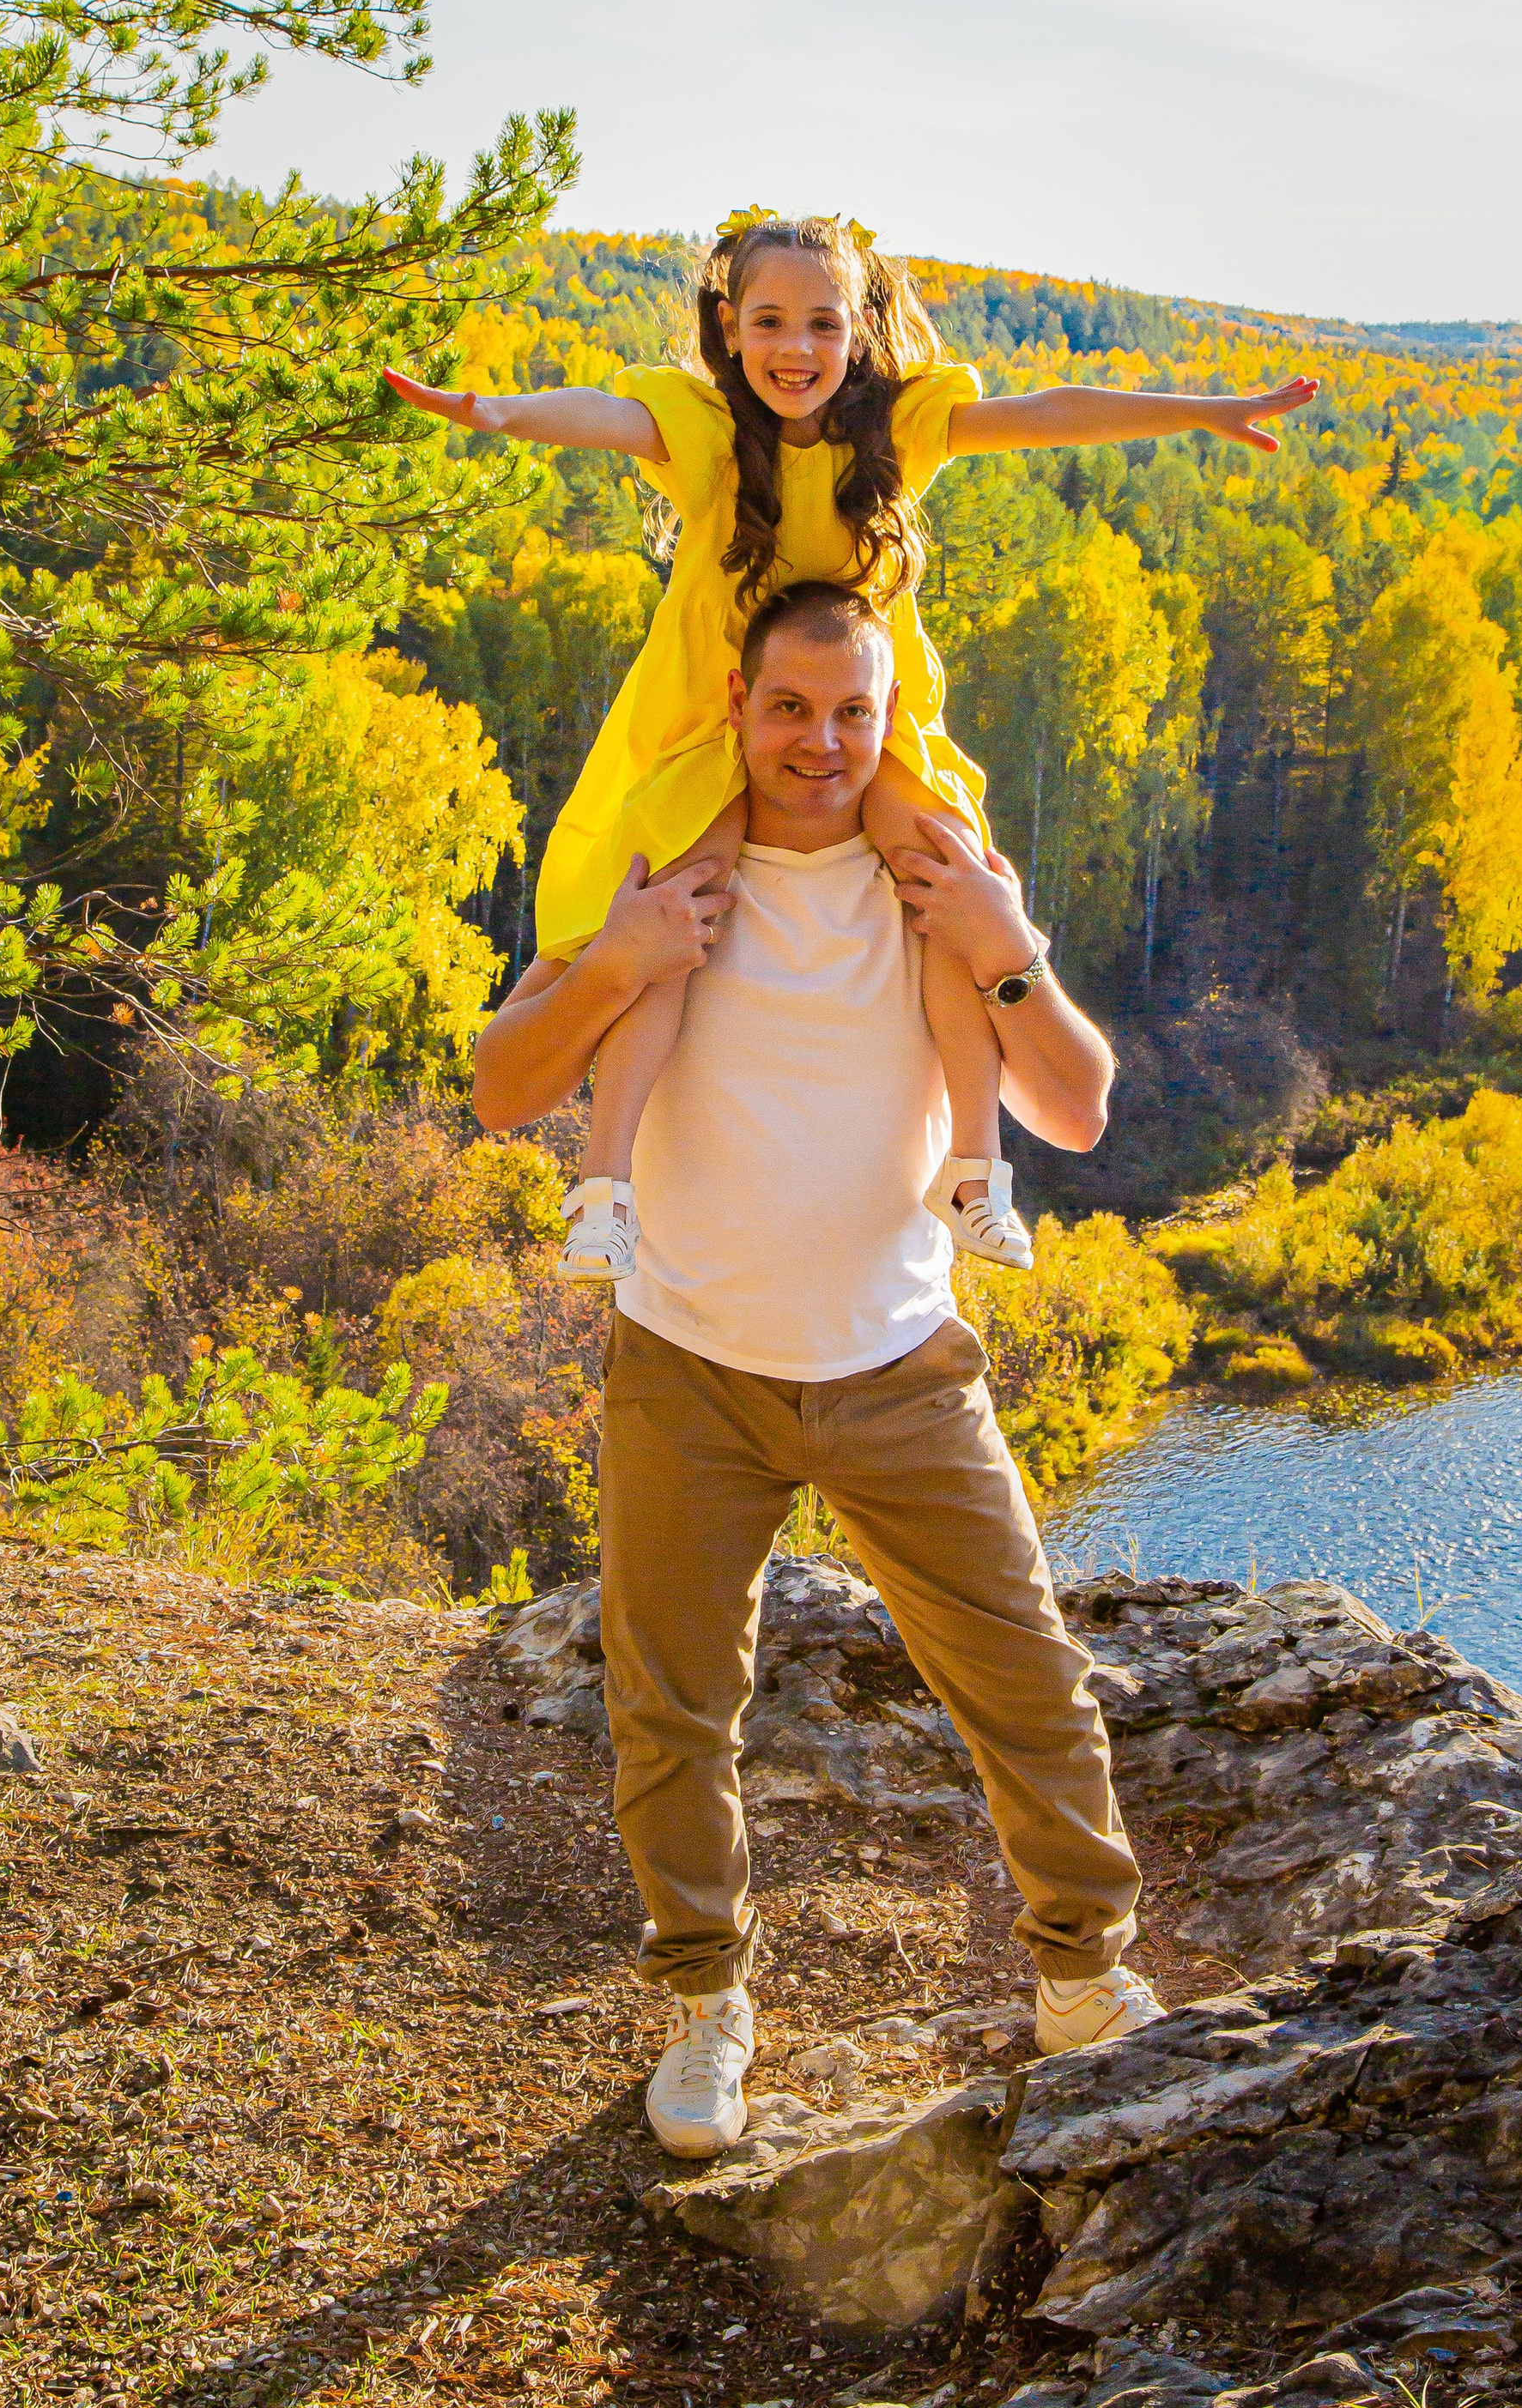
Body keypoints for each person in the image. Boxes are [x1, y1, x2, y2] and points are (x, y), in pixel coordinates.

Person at [472, 577, 1168, 2155]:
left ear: (888, 713)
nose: (823, 740)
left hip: (897, 1360)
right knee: (671, 1707)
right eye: (792, 706)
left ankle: (1081, 1980)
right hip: (687, 1361)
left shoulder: (934, 877)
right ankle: (704, 2004)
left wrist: (1007, 953)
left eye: (854, 709)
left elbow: (1078, 1107)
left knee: (1028, 1680)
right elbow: (505, 1085)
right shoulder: (665, 874)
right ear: (736, 703)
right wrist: (613, 960)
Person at [390, 211, 1316, 1288]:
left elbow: (1048, 414)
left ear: (862, 329)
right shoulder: (706, 435)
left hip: (876, 721)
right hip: (704, 725)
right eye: (770, 320)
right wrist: (499, 413)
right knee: (663, 917)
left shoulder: (892, 435)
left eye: (823, 322)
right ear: (729, 328)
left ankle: (974, 1169)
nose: (796, 347)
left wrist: (1203, 410)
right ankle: (603, 1189)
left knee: (946, 892)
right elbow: (604, 417)